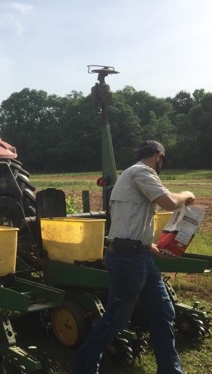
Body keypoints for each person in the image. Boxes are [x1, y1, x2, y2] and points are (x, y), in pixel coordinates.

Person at [72, 140, 195, 374]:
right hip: (128, 258)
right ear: (158, 156)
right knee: (116, 319)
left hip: (140, 255)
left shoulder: (129, 176)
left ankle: (170, 370)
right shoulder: (142, 171)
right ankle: (84, 368)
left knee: (162, 310)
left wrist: (149, 245)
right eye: (161, 162)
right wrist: (187, 194)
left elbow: (129, 220)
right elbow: (169, 202)